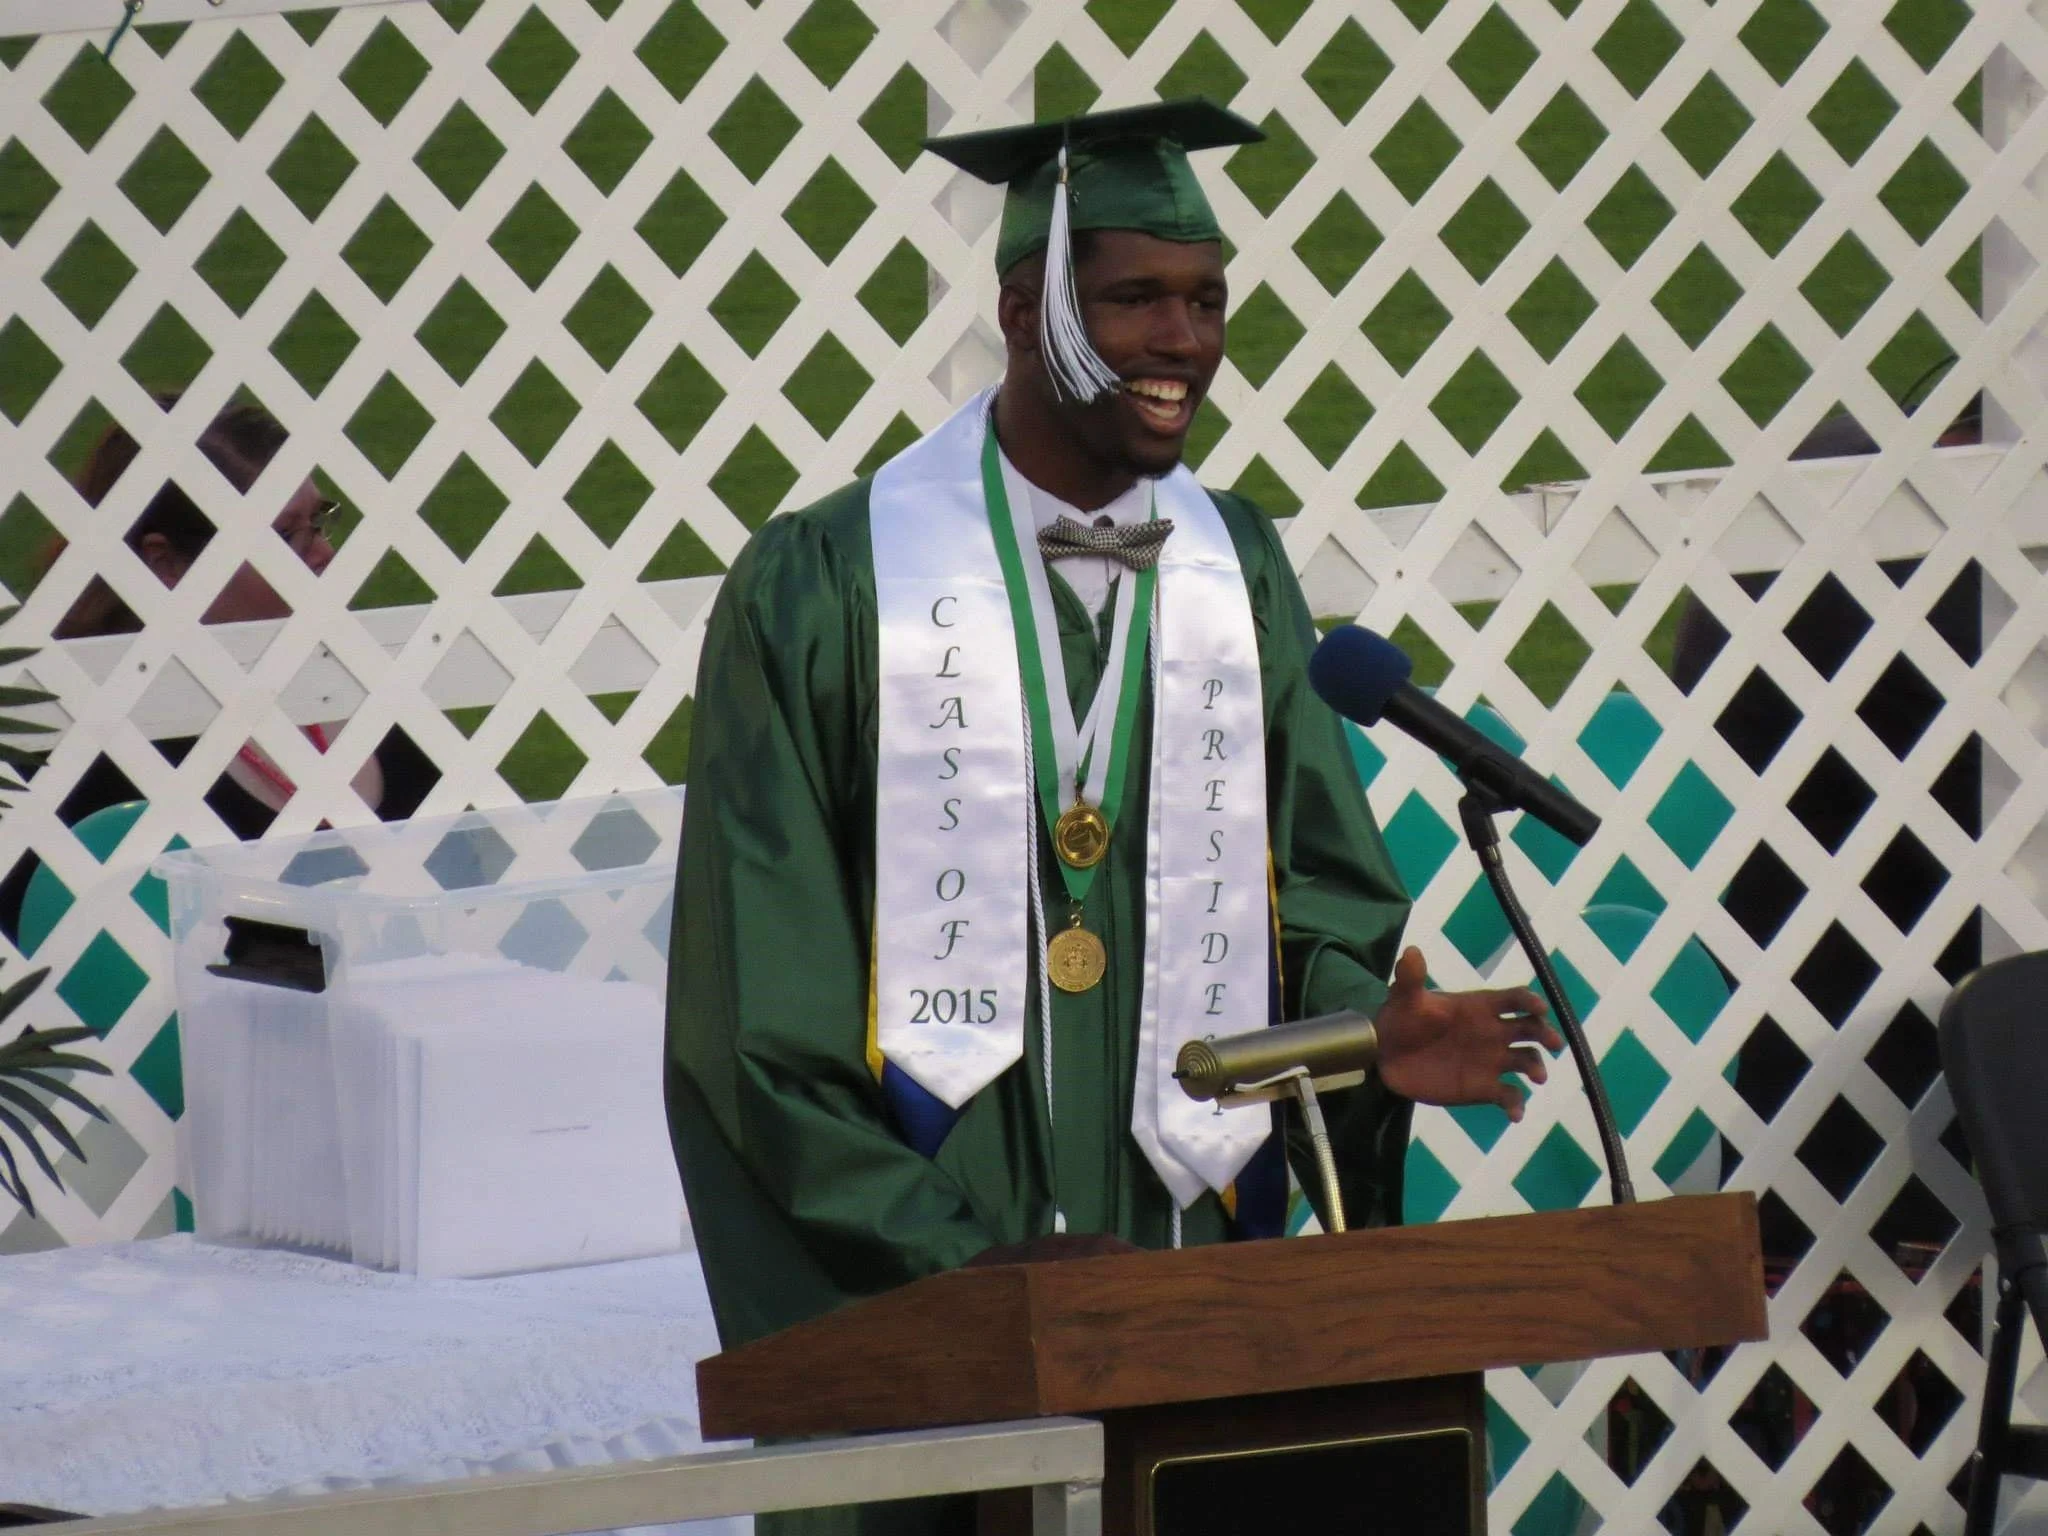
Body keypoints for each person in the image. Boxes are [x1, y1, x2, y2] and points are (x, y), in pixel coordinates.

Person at [665, 100, 1561, 1536]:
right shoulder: (827, 587)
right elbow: (756, 1020)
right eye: (1134, 297)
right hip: (933, 1293)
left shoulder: (1236, 568)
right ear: (1025, 310)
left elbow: (1320, 902)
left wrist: (1363, 1045)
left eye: (1207, 299)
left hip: (1190, 1276)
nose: (1185, 341)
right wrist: (972, 1270)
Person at [0, 401, 437, 938]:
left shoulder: (369, 699)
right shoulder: (84, 764)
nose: (324, 552)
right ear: (164, 564)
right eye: (286, 536)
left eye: (320, 521)